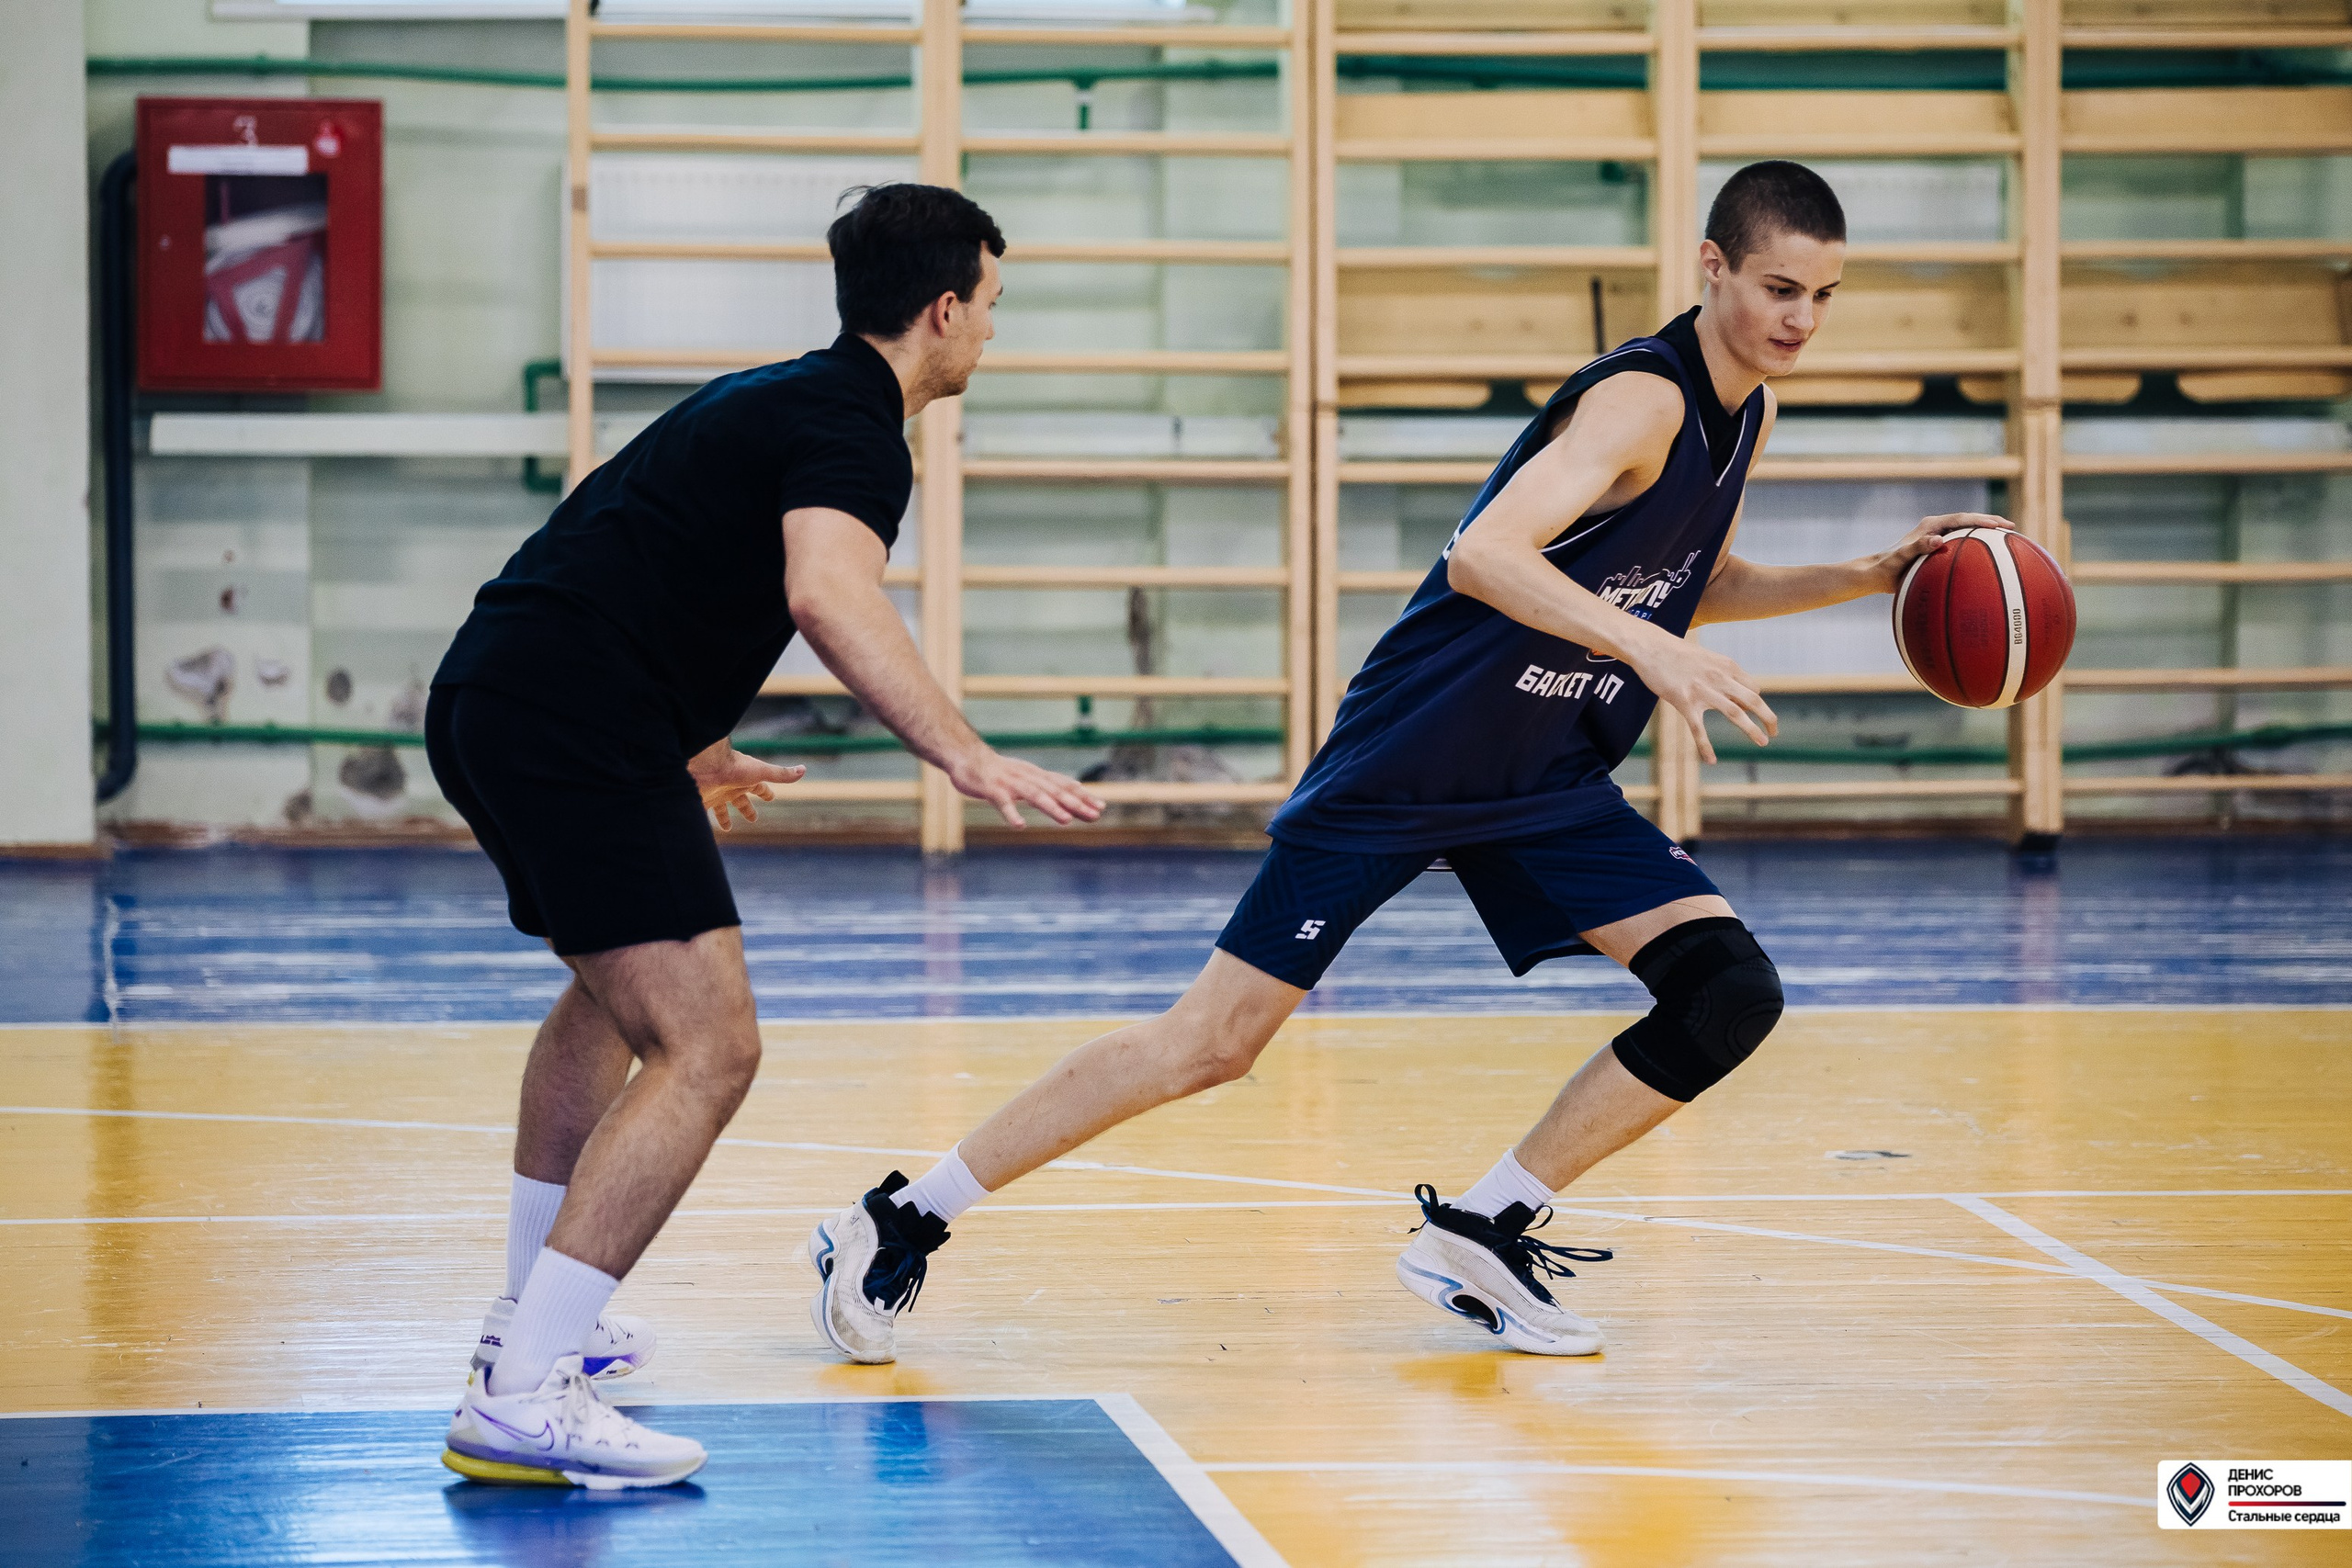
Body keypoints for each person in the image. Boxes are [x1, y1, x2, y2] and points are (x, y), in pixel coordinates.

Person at [808, 160, 2016, 1363]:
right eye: (1778, 287)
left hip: (1538, 770)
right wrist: (1649, 650)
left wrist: (1873, 574)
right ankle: (904, 1215)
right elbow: (1486, 553)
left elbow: (1692, 580)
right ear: (1713, 268)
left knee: (1727, 993)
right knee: (1212, 1043)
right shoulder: (1641, 402)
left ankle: (1488, 1226)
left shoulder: (1745, 409)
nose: (1800, 318)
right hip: (1419, 749)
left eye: (1824, 296)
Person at [426, 183, 1103, 1487]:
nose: (992, 339)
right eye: (993, 311)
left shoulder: (782, 395)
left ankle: (535, 1319)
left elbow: (638, 554)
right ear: (944, 309)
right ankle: (520, 1396)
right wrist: (960, 749)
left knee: (605, 1002)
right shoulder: (854, 425)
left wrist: (684, 734)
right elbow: (825, 590)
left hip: (503, 694)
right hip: (574, 720)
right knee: (710, 1046)